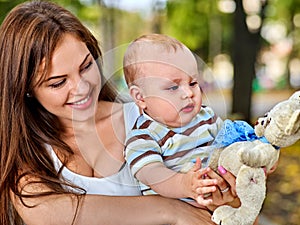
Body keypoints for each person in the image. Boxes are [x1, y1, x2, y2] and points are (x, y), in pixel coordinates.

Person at [0, 1, 237, 225]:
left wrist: (230, 191)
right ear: (25, 90)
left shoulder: (153, 117)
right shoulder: (28, 150)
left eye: (86, 66)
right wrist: (168, 209)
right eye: (58, 83)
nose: (82, 88)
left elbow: (232, 210)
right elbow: (45, 212)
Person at [123, 34, 230, 207]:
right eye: (173, 87)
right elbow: (153, 174)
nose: (188, 93)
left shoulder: (207, 118)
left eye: (193, 83)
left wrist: (256, 157)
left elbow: (233, 145)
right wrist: (185, 185)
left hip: (219, 207)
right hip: (175, 215)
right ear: (141, 97)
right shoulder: (143, 137)